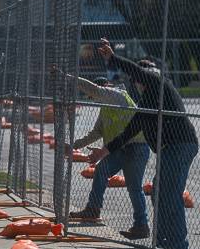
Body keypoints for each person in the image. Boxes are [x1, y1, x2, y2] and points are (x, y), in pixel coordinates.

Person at [89, 38, 198, 249]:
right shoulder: (146, 105)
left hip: (179, 146)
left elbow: (136, 70)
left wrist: (112, 58)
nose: (137, 81)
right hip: (170, 150)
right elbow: (127, 133)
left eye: (140, 77)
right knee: (160, 191)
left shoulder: (160, 86)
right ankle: (163, 243)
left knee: (170, 194)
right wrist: (103, 152)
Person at [56, 67, 151, 240]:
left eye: (94, 96)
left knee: (134, 187)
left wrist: (68, 77)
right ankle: (93, 209)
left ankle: (142, 225)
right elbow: (96, 132)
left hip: (136, 147)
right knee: (101, 170)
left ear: (104, 88)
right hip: (119, 149)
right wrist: (74, 146)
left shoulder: (116, 95)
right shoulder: (105, 106)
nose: (93, 99)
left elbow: (95, 90)